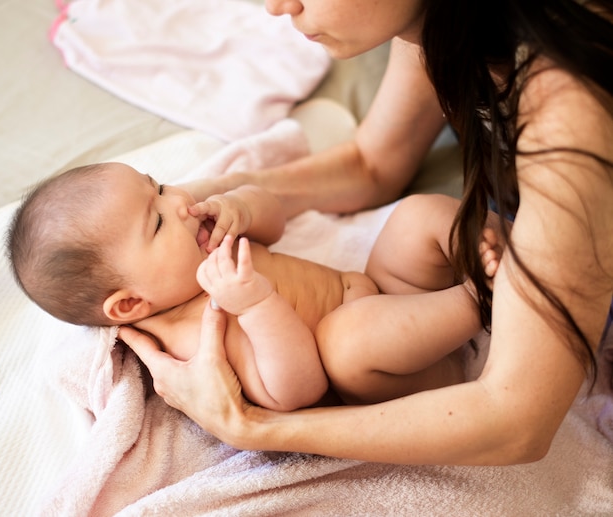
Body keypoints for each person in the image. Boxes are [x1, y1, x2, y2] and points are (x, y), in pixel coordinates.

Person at [118, 0, 613, 466]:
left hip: (528, 292)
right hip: (392, 318)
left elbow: (517, 423)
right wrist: (219, 194)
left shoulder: (570, 107)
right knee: (407, 232)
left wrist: (249, 427)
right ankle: (485, 280)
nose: (276, 7)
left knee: (351, 335)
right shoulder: (440, 19)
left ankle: (480, 292)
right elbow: (372, 163)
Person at [7, 162, 490, 411]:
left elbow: (275, 225)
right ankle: (487, 299)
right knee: (346, 344)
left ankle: (518, 253)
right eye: (155, 222)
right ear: (131, 301)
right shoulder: (194, 333)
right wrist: (257, 306)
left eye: (158, 186)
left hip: (387, 293)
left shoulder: (201, 243)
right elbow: (294, 393)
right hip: (393, 370)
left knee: (419, 215)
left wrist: (244, 206)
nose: (178, 202)